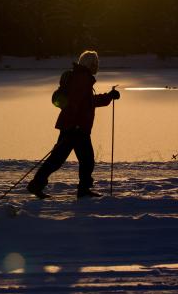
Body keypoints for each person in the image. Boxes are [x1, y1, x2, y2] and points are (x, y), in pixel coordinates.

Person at [27, 50, 120, 199]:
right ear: (90, 64)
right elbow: (74, 104)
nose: (97, 66)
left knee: (58, 159)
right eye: (95, 63)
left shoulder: (82, 77)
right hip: (76, 129)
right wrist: (74, 125)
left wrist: (109, 97)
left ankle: (37, 185)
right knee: (86, 160)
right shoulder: (82, 79)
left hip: (73, 127)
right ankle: (83, 190)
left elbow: (88, 102)